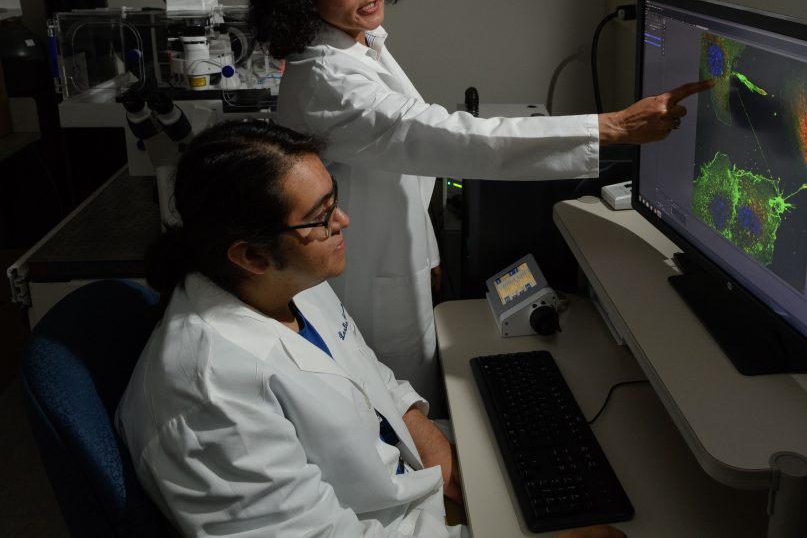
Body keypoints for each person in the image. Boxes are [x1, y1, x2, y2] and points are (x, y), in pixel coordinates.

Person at [249, 0, 713, 403]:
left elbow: (398, 160)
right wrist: (613, 127)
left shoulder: (358, 43)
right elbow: (445, 138)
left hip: (395, 258)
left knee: (408, 400)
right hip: (363, 282)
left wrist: (427, 252)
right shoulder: (327, 79)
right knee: (392, 411)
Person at [116, 119, 625, 538]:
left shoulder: (289, 282)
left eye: (332, 199)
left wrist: (450, 469)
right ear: (251, 255)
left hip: (404, 498)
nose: (344, 220)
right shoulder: (211, 394)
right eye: (320, 218)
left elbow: (375, 381)